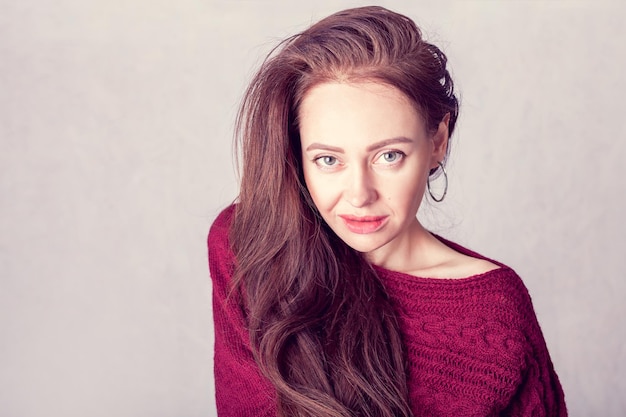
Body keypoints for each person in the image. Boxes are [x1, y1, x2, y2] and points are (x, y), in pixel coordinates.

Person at [208, 6, 567, 417]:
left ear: (438, 142)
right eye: (328, 160)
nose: (359, 194)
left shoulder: (494, 311)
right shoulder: (250, 247)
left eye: (389, 155)